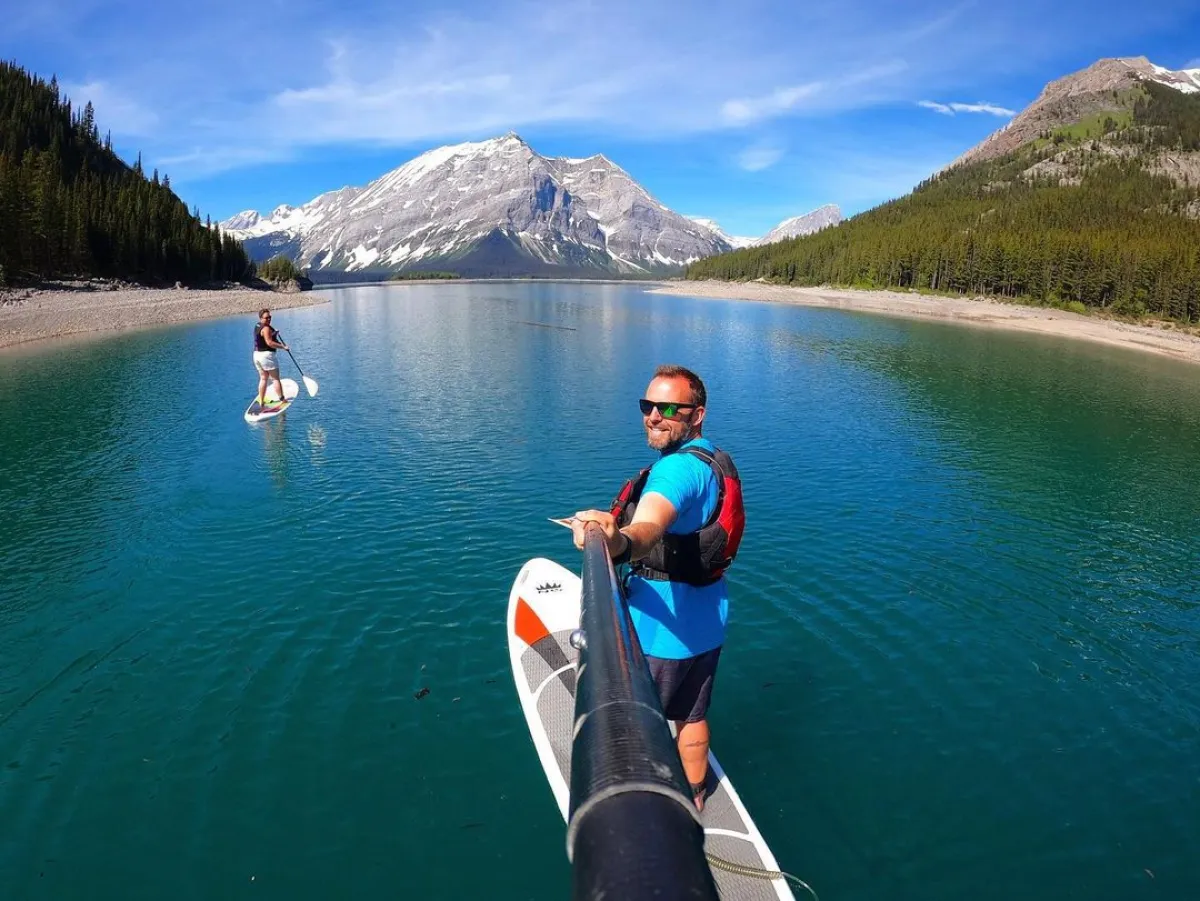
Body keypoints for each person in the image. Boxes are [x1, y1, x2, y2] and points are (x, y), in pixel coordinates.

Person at [570, 364, 745, 812]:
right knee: (692, 715)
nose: (653, 416)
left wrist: (617, 541)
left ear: (697, 414)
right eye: (647, 405)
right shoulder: (713, 460)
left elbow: (648, 525)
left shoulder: (676, 473)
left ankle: (645, 813)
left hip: (659, 636)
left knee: (635, 724)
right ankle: (696, 794)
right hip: (707, 625)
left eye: (669, 407)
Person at [253, 308, 289, 407]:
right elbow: (269, 342)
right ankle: (282, 400)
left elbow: (263, 337)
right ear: (261, 318)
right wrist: (283, 347)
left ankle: (261, 400)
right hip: (266, 356)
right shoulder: (266, 328)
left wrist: (274, 333)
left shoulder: (258, 325)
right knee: (275, 379)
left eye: (270, 317)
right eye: (266, 318)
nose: (269, 319)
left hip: (257, 355)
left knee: (263, 378)